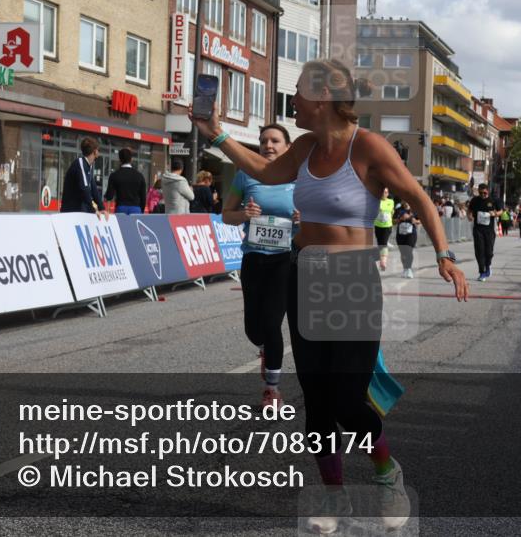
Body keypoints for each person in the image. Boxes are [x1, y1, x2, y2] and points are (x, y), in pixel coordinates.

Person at [190, 58, 467, 533]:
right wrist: (216, 134)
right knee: (317, 399)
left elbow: (419, 198)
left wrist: (444, 254)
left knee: (346, 399)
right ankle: (334, 498)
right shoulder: (304, 147)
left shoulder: (369, 147)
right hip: (305, 273)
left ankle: (387, 473)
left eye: (297, 92)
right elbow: (265, 171)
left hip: (352, 280)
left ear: (322, 98)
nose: (292, 101)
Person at [221, 124, 297, 409]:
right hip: (253, 258)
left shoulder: (299, 177)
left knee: (272, 322)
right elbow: (226, 215)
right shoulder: (245, 174)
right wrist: (244, 214)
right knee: (253, 329)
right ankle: (265, 349)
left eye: (275, 140)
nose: (268, 145)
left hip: (284, 259)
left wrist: (303, 219)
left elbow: (319, 217)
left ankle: (272, 389)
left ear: (288, 147)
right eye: (264, 140)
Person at [467, 183, 502, 281]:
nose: (482, 195)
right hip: (478, 230)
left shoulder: (493, 200)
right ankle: (482, 272)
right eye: (480, 193)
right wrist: (469, 216)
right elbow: (469, 210)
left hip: (489, 230)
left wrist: (494, 214)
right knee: (479, 251)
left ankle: (488, 265)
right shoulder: (475, 200)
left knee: (489, 252)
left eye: (484, 193)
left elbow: (501, 211)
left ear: (488, 191)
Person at [104, 148, 147, 215]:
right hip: (136, 208)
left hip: (121, 207)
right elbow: (143, 197)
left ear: (119, 159)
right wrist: (141, 210)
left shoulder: (114, 175)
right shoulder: (139, 176)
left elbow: (109, 195)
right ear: (131, 159)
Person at [394, 200, 420, 278]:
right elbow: (394, 220)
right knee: (403, 253)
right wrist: (400, 219)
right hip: (400, 234)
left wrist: (415, 221)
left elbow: (420, 220)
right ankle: (405, 269)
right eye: (404, 200)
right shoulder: (398, 210)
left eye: (407, 200)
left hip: (411, 234)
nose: (406, 202)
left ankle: (409, 269)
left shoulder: (415, 209)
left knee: (409, 251)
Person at [374, 187, 395, 270]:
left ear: (388, 193)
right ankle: (381, 260)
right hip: (378, 225)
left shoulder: (391, 201)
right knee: (380, 244)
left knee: (383, 244)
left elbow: (389, 210)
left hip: (387, 226)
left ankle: (383, 262)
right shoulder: (376, 201)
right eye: (383, 192)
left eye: (386, 192)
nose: (384, 194)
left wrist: (381, 209)